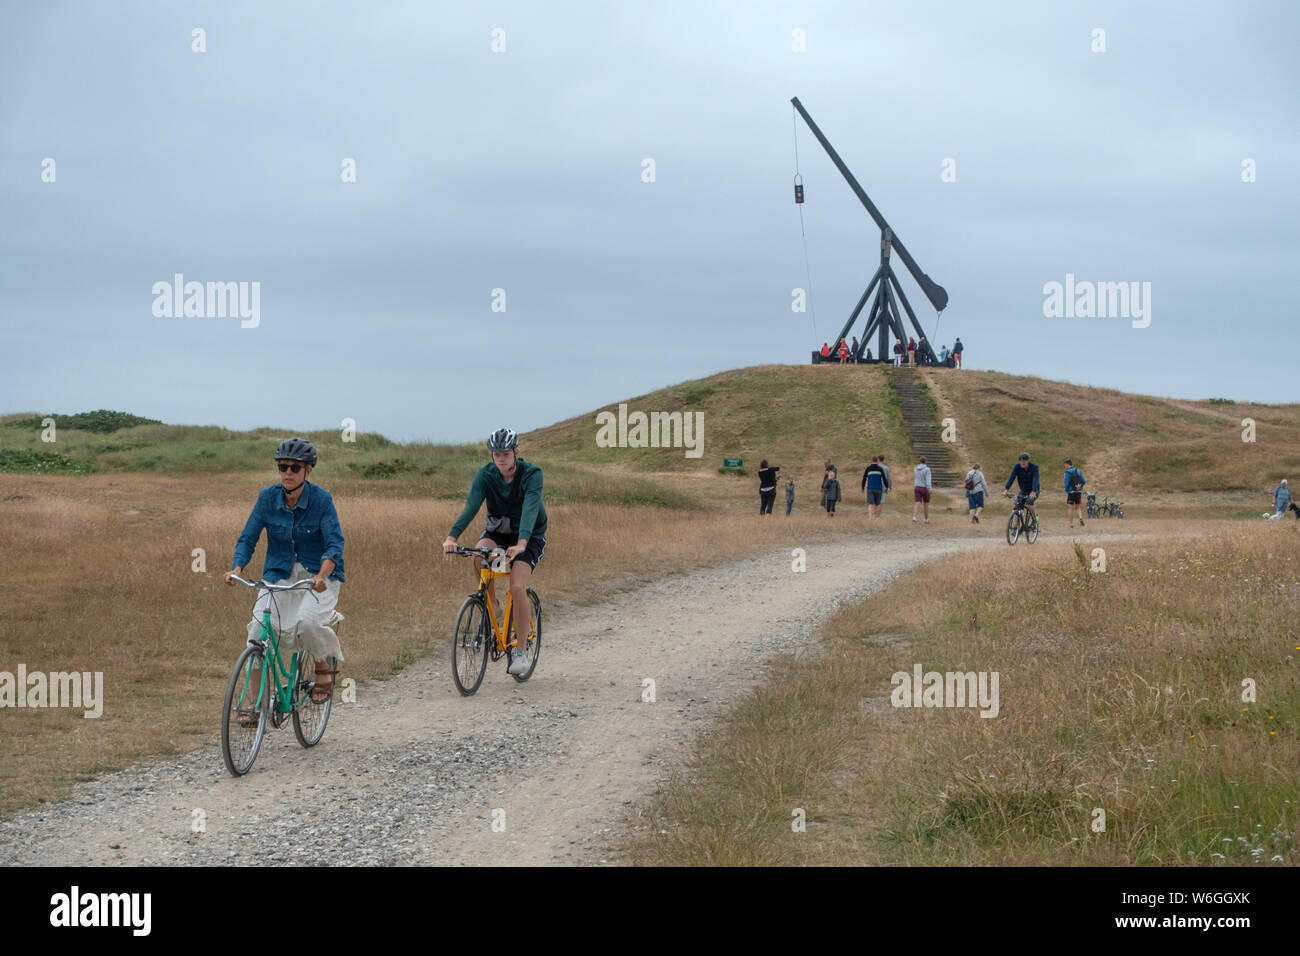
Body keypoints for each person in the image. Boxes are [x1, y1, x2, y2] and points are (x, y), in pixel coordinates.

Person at [226, 438, 344, 702]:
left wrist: (323, 575)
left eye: (294, 467)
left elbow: (335, 543)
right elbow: (248, 538)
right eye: (283, 467)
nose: (287, 473)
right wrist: (236, 568)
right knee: (257, 631)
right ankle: (257, 704)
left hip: (318, 575)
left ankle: (322, 663)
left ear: (307, 470)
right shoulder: (267, 498)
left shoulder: (322, 500)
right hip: (278, 575)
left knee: (306, 622)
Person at [442, 427, 547, 676]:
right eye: (496, 454)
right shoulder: (485, 475)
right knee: (479, 555)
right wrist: (451, 537)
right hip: (498, 532)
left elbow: (531, 509)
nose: (500, 458)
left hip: (529, 535)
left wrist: (521, 544)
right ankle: (493, 604)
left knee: (517, 586)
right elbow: (471, 507)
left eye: (505, 454)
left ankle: (520, 652)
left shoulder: (532, 474)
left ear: (515, 452)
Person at [1003, 451, 1040, 526]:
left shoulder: (1034, 467)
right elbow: (1012, 478)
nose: (1023, 462)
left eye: (1025, 460)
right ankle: (1017, 526)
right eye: (1021, 460)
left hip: (1034, 490)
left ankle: (1035, 518)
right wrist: (1006, 489)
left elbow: (1036, 479)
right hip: (1023, 490)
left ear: (1028, 460)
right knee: (1016, 508)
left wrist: (1033, 491)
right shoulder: (1017, 467)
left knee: (1029, 504)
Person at [1064, 459, 1087, 528]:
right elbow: (1083, 481)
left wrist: (1067, 490)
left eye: (1065, 465)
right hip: (1078, 492)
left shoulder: (1067, 473)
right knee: (1078, 507)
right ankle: (1080, 518)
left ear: (1067, 464)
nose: (1065, 466)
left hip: (1071, 492)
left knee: (1070, 508)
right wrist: (1079, 487)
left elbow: (1066, 484)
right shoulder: (1078, 471)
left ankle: (1071, 524)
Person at [912, 455, 932, 523]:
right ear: (925, 462)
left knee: (917, 502)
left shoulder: (915, 468)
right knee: (926, 503)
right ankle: (926, 519)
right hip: (924, 488)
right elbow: (928, 480)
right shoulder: (927, 469)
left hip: (917, 487)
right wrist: (929, 489)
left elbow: (915, 478)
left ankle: (914, 517)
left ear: (919, 461)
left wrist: (915, 485)